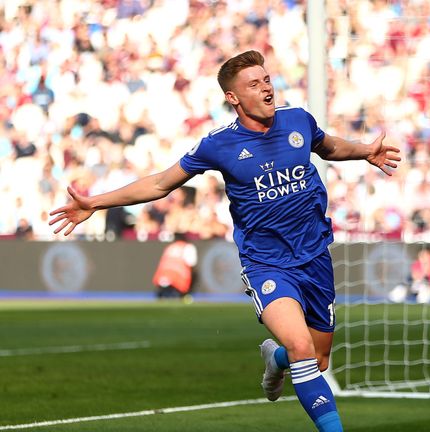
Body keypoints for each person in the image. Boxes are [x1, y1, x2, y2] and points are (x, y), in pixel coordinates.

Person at [49, 50, 401, 432]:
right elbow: (159, 183)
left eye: (266, 79)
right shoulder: (218, 144)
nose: (266, 88)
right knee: (302, 347)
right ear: (233, 98)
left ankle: (276, 360)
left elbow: (328, 146)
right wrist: (95, 203)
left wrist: (366, 151)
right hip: (267, 263)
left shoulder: (298, 120)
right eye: (254, 84)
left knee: (315, 360)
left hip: (315, 257)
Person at [153, 232, 198, 300]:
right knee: (195, 273)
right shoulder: (187, 246)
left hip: (161, 278)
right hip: (178, 280)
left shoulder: (170, 247)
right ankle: (187, 295)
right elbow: (191, 264)